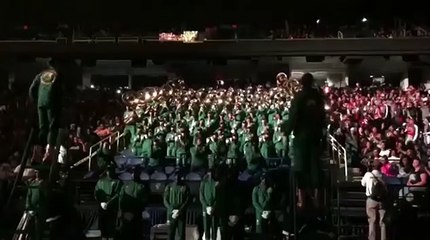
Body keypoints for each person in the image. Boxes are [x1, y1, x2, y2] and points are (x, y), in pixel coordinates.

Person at [285, 73, 326, 208]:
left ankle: (302, 200)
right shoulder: (318, 97)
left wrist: (286, 130)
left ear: (302, 83)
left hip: (302, 137)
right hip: (315, 137)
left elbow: (294, 115)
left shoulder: (299, 97)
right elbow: (323, 117)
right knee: (315, 168)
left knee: (301, 169)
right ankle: (317, 199)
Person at [29, 61, 63, 163]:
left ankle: (37, 152)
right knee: (52, 126)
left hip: (40, 103)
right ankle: (49, 152)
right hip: (52, 103)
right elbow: (60, 92)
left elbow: (32, 89)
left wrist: (36, 100)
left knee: (42, 127)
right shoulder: (57, 76)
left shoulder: (40, 75)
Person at [117, 169, 148, 240]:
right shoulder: (125, 186)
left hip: (134, 215)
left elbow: (143, 201)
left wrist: (124, 211)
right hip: (129, 214)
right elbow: (121, 199)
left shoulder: (142, 187)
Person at [94, 167, 122, 240]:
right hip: (103, 208)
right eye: (109, 171)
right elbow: (96, 193)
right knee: (104, 229)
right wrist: (101, 202)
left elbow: (118, 194)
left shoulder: (117, 181)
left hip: (112, 209)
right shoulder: (100, 181)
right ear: (106, 172)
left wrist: (112, 204)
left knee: (111, 229)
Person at [361, 161, 386, 240]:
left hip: (371, 199)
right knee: (382, 221)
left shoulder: (368, 175)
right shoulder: (383, 175)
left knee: (372, 220)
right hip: (382, 200)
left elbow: (363, 184)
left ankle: (372, 238)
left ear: (372, 167)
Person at [163, 170, 191, 240]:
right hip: (171, 214)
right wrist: (172, 210)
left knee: (181, 234)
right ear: (173, 177)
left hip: (181, 213)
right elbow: (165, 200)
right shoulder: (169, 186)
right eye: (175, 177)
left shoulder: (185, 187)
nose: (177, 178)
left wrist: (180, 210)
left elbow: (187, 200)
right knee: (170, 233)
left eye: (179, 177)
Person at [25, 169, 48, 240]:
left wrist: (43, 186)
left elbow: (47, 195)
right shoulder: (32, 183)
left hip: (41, 209)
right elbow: (28, 195)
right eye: (36, 172)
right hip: (32, 209)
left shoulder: (45, 183)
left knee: (39, 228)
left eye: (38, 172)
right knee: (31, 228)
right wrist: (28, 207)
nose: (37, 173)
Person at [199, 168, 218, 240]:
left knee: (214, 227)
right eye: (209, 173)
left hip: (214, 209)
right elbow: (201, 196)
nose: (210, 175)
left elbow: (218, 197)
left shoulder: (216, 183)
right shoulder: (203, 183)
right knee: (206, 227)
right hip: (205, 208)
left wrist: (213, 206)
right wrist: (206, 207)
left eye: (211, 173)